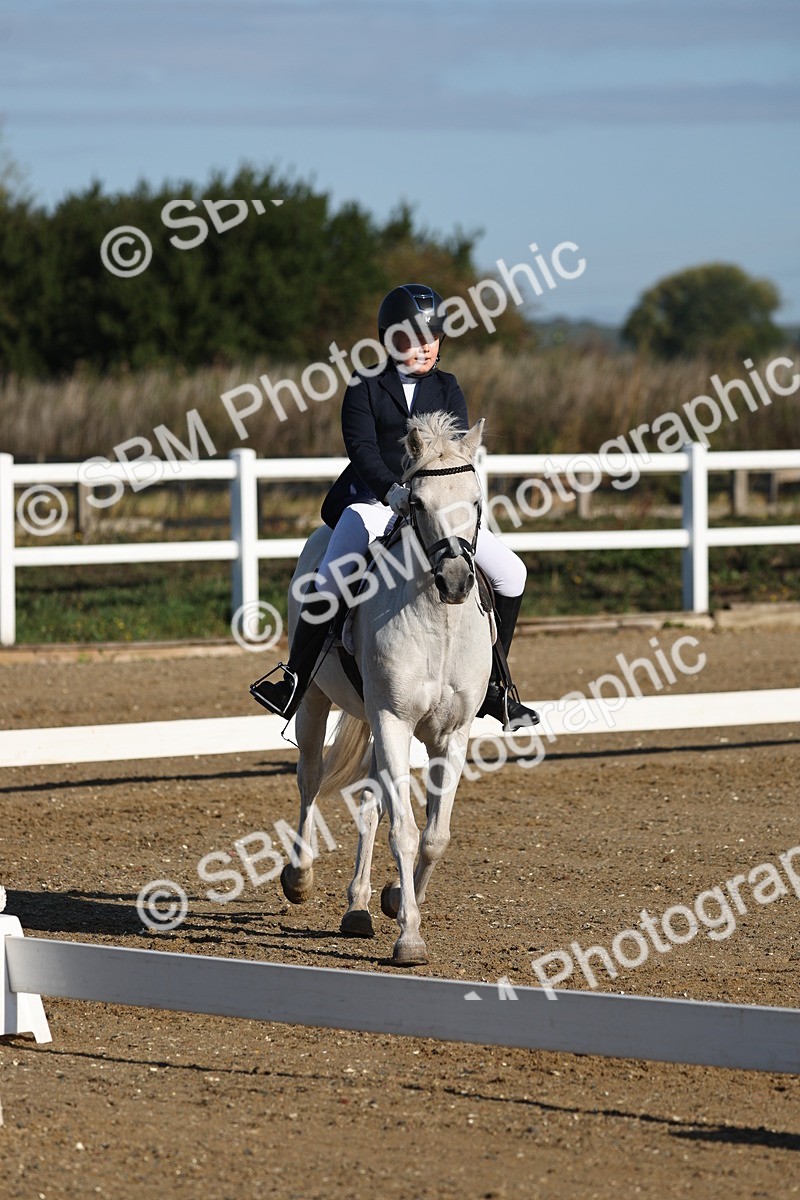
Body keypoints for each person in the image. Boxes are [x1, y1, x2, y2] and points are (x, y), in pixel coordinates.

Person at [251, 283, 539, 730]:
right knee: (328, 579)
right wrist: (391, 491)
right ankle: (294, 679)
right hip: (373, 502)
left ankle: (497, 687)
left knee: (513, 572)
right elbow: (361, 449)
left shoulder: (447, 386)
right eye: (411, 338)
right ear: (389, 339)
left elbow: (453, 451)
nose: (423, 347)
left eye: (431, 338)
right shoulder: (365, 386)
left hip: (435, 509)